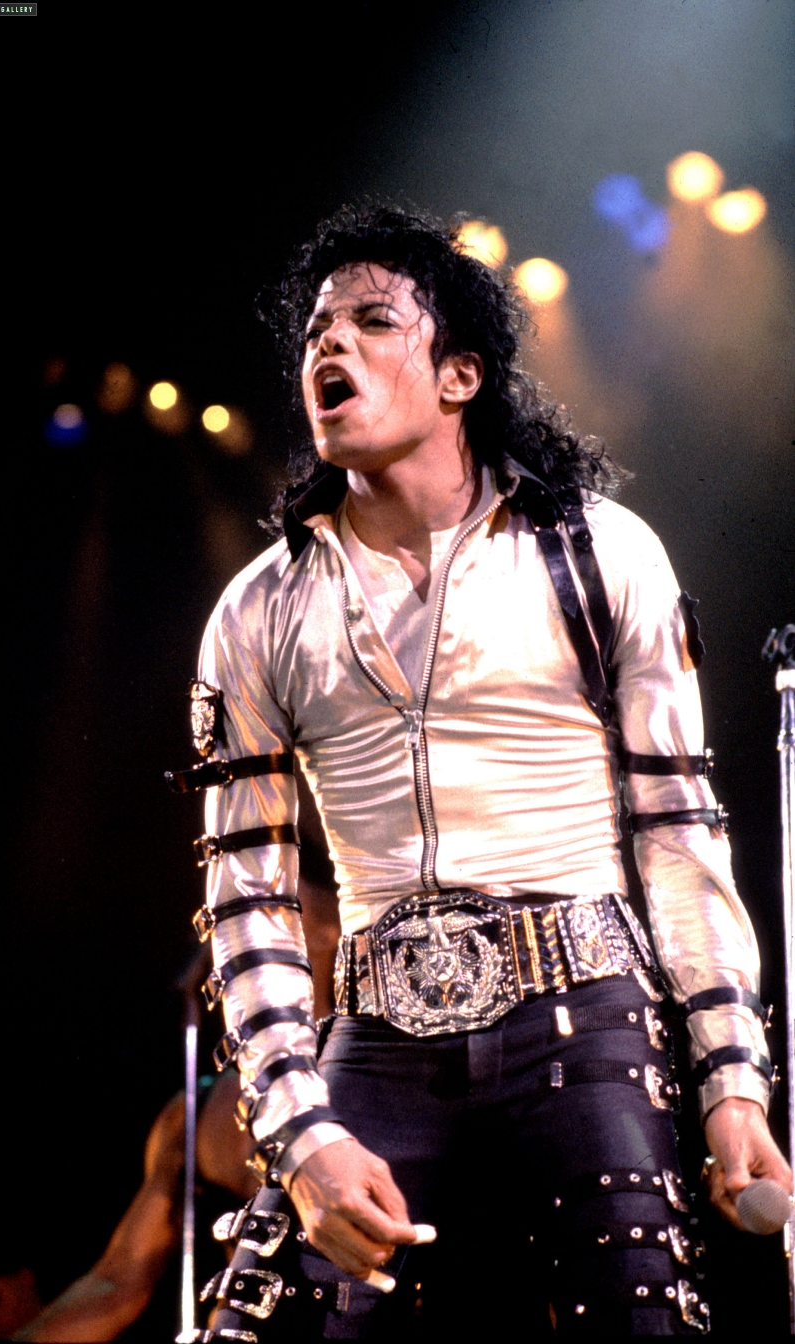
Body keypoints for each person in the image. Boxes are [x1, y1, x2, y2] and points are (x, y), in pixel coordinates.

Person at [190, 205, 791, 1337]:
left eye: (374, 322)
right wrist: (303, 1135)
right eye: (317, 330)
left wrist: (732, 1080)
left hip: (589, 1016)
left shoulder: (602, 552)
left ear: (460, 375)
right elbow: (248, 902)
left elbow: (679, 835)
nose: (331, 344)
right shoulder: (257, 612)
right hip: (378, 1036)